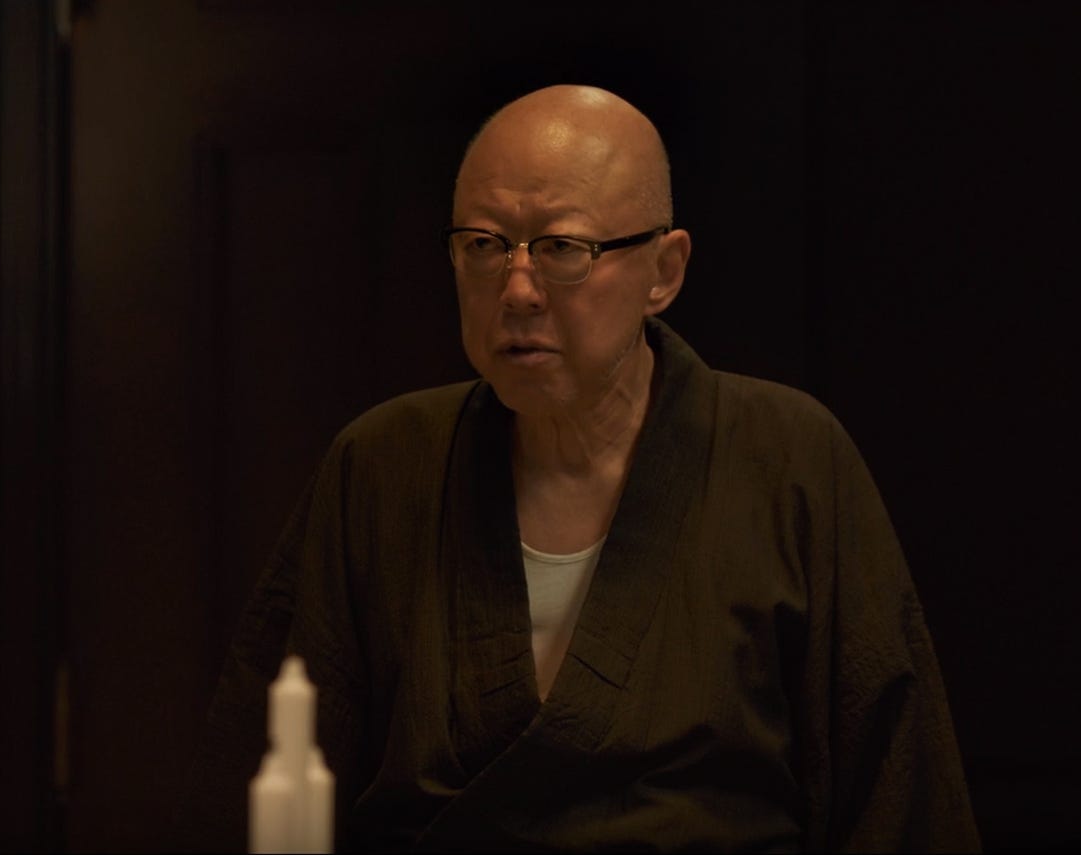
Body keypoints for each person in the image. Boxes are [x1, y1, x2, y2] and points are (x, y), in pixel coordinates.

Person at [184, 84, 981, 852]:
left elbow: (897, 796)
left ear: (663, 271)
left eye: (563, 247)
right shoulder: (383, 465)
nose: (517, 289)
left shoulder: (788, 459)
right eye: (484, 246)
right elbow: (263, 775)